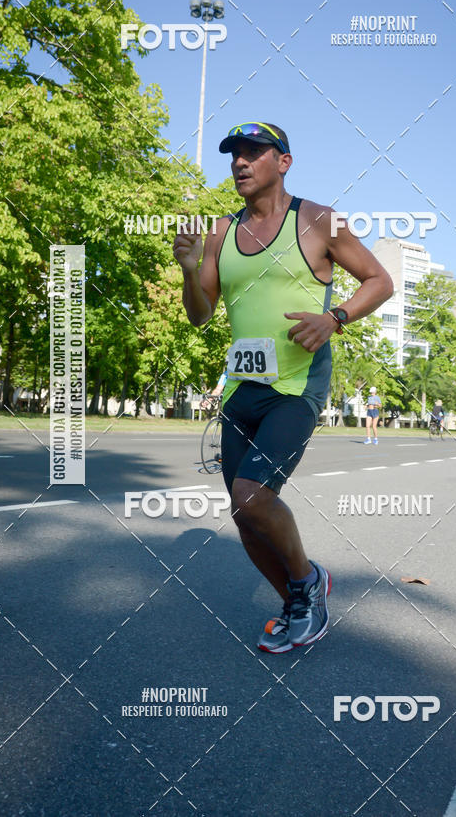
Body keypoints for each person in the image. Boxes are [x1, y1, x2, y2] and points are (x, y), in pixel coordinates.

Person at [173, 121, 393, 653]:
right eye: (234, 155)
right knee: (244, 515)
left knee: (253, 496)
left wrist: (335, 318)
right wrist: (188, 270)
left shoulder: (318, 220)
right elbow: (200, 316)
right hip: (240, 389)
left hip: (297, 385)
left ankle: (308, 582)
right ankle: (299, 601)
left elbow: (380, 281)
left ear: (283, 162)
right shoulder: (220, 233)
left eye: (254, 152)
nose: (240, 162)